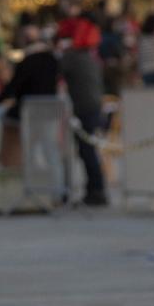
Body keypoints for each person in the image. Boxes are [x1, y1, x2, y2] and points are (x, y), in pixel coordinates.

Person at [59, 12, 110, 205]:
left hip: (84, 107)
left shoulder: (72, 57)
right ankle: (95, 189)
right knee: (88, 149)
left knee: (87, 150)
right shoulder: (91, 56)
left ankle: (96, 190)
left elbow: (60, 71)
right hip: (93, 105)